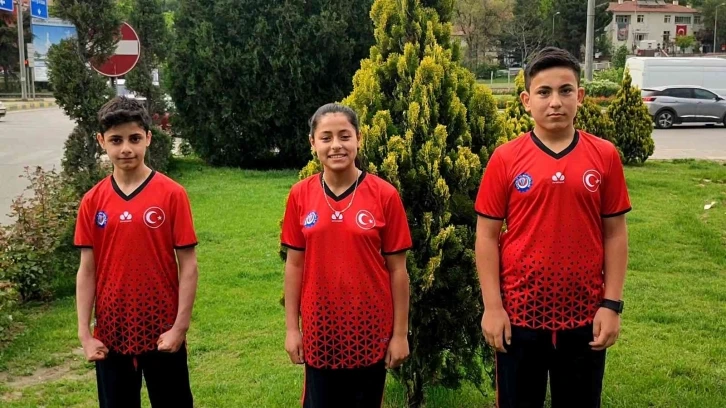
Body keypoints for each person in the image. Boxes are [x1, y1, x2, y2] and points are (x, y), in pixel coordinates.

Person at [474, 47, 631, 408]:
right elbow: (486, 236)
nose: (555, 102)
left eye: (565, 90)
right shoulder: (505, 158)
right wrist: (493, 307)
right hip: (519, 315)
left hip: (585, 315)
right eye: (544, 92)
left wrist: (611, 305)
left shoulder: (604, 155)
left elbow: (615, 233)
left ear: (581, 96)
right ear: (526, 101)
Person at [281, 103, 412, 407]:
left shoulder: (384, 195)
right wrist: (292, 329)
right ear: (313, 143)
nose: (336, 145)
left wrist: (400, 334)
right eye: (326, 138)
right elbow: (294, 266)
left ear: (359, 139)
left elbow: (398, 271)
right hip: (319, 330)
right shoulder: (300, 195)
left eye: (345, 136)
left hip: (369, 330)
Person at [74, 96, 199, 408]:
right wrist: (85, 335)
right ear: (101, 141)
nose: (126, 148)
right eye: (116, 140)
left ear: (148, 138)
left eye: (134, 138)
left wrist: (179, 328)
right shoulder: (93, 201)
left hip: (162, 329)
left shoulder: (172, 194)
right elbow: (87, 269)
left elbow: (188, 265)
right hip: (111, 334)